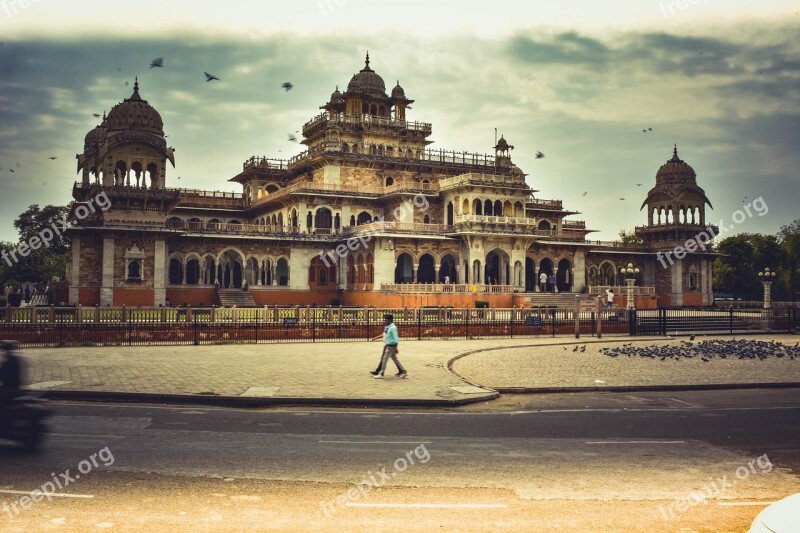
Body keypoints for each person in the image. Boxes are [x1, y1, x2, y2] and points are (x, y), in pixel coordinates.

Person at [370, 314, 407, 379]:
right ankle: (403, 372)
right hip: (388, 345)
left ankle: (381, 373)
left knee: (384, 359)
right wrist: (376, 338)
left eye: (386, 320)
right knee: (395, 360)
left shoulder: (393, 328)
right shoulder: (388, 327)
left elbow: (396, 339)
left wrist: (396, 348)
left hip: (391, 346)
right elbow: (385, 334)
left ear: (390, 320)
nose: (385, 321)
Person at [0, 340, 24, 409]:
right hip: (14, 386)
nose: (2, 352)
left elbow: (2, 375)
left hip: (9, 388)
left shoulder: (9, 361)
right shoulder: (14, 359)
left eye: (3, 350)